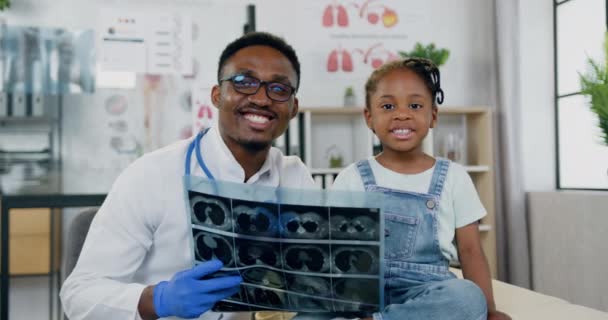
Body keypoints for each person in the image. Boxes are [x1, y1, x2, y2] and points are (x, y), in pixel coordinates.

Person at [60, 31, 315, 320]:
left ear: (293, 107)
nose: (261, 98)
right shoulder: (152, 175)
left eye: (279, 89)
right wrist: (157, 299)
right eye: (244, 82)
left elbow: (316, 278)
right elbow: (78, 295)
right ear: (217, 96)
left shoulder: (295, 178)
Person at [322, 58, 511, 320]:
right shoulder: (351, 178)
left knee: (467, 298)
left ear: (432, 115)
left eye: (415, 105)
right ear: (369, 117)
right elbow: (334, 250)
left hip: (426, 290)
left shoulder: (453, 177)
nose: (402, 114)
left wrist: (487, 309)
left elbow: (470, 250)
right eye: (388, 106)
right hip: (363, 292)